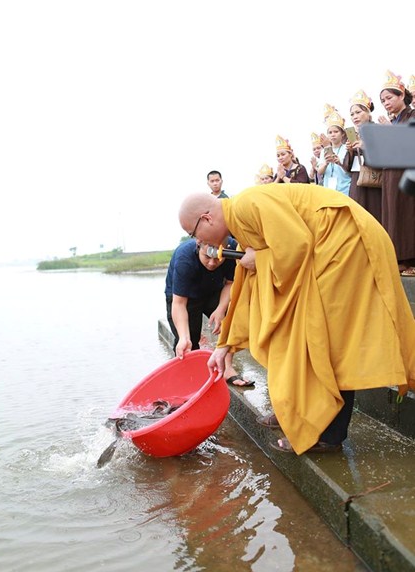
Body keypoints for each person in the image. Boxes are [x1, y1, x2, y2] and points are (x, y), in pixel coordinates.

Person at [178, 186, 415, 455]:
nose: (198, 242)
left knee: (326, 336)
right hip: (327, 248)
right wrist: (224, 346)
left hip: (345, 243)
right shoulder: (240, 226)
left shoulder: (247, 206)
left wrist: (261, 258)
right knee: (291, 330)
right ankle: (295, 412)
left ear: (206, 218)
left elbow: (296, 246)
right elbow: (247, 289)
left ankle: (328, 434)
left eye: (194, 234)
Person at [165, 237, 254, 387]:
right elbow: (179, 303)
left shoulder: (231, 249)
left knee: (229, 319)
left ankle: (227, 368)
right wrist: (184, 337)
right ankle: (188, 379)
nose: (212, 263)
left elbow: (230, 284)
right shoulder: (185, 258)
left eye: (218, 258)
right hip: (184, 297)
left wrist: (220, 309)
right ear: (198, 246)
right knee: (189, 340)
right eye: (207, 257)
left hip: (214, 290)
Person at [378, 70, 415, 275]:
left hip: (406, 174)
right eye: (383, 100)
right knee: (393, 215)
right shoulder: (394, 120)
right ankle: (399, 257)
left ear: (402, 96)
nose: (386, 103)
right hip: (390, 175)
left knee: (407, 215)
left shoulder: (412, 115)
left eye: (389, 98)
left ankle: (411, 259)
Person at [342, 89, 382, 223]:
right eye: (352, 114)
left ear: (368, 113)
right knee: (357, 218)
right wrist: (350, 151)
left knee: (374, 217)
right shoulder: (353, 133)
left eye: (358, 112)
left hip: (373, 181)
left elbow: (386, 157)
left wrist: (365, 147)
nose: (355, 116)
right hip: (357, 180)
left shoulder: (378, 130)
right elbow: (347, 168)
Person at [317, 110, 351, 195]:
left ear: (342, 134)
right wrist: (326, 163)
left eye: (336, 132)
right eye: (330, 132)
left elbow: (350, 171)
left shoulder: (347, 148)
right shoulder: (324, 151)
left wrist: (339, 163)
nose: (333, 134)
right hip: (329, 190)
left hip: (345, 189)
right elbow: (320, 172)